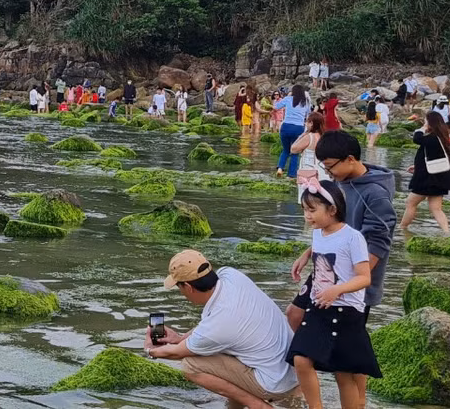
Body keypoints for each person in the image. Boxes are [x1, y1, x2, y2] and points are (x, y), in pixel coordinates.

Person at [302, 130, 397, 403]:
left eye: (331, 166)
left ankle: (358, 401)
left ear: (351, 159)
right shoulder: (345, 182)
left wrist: (348, 283)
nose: (328, 174)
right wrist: (309, 252)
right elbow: (333, 227)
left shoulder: (375, 194)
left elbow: (378, 243)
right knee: (297, 317)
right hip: (326, 271)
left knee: (350, 355)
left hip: (352, 285)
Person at [144, 250, 300, 409]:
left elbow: (177, 353)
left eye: (179, 287)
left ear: (188, 287)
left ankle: (257, 405)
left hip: (275, 383)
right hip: (293, 371)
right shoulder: (230, 275)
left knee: (191, 365)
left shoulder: (218, 324)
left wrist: (150, 351)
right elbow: (212, 328)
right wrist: (180, 339)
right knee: (224, 350)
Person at [287, 180, 381, 409]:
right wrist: (306, 254)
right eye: (304, 211)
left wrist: (336, 290)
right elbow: (325, 245)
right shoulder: (319, 231)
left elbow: (364, 278)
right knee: (300, 358)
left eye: (312, 210)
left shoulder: (353, 238)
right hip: (318, 307)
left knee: (344, 374)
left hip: (346, 311)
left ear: (332, 209)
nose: (307, 217)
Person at [399, 112, 450, 234]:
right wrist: (417, 166)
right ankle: (447, 233)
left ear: (431, 123)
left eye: (426, 121)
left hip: (428, 180)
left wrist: (422, 128)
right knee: (436, 209)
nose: (424, 123)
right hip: (439, 178)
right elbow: (434, 156)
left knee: (410, 203)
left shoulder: (433, 138)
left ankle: (402, 229)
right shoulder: (441, 138)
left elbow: (417, 139)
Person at [274, 85, 311, 178]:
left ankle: (280, 168)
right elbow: (309, 114)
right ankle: (291, 175)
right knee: (295, 152)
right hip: (298, 128)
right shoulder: (305, 102)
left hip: (286, 126)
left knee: (285, 150)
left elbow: (276, 106)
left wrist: (288, 96)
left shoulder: (288, 98)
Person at [291, 112, 328, 200]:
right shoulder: (324, 137)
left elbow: (293, 149)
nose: (305, 124)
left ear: (311, 123)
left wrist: (302, 135)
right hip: (322, 171)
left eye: (307, 122)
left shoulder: (310, 137)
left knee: (307, 199)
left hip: (308, 172)